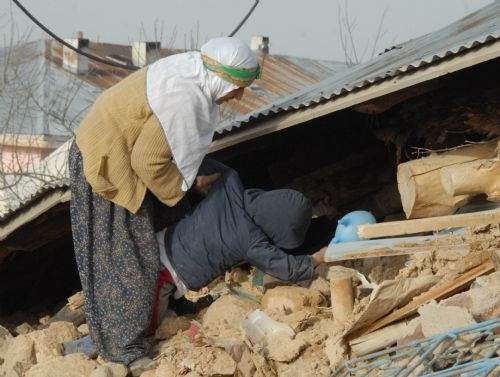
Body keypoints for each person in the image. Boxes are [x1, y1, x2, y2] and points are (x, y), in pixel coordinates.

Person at [68, 37, 261, 369]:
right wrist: (188, 186)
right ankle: (123, 348)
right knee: (128, 259)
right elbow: (148, 162)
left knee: (158, 229)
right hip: (106, 162)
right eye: (236, 87)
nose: (239, 96)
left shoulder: (193, 73)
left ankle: (153, 312)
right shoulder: (184, 97)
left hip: (118, 153)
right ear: (219, 77)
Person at [152, 158, 327, 328]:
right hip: (168, 271)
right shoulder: (251, 241)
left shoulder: (230, 182)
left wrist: (197, 182)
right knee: (149, 324)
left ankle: (173, 305)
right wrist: (319, 257)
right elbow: (288, 268)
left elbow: (198, 159)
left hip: (161, 240)